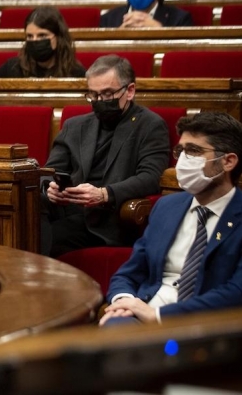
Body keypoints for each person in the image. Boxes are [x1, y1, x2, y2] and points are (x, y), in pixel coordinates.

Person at [101, 112, 242, 326]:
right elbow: (129, 272)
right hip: (145, 312)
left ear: (228, 161)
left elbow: (236, 292)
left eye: (194, 151)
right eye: (180, 150)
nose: (183, 160)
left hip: (208, 325)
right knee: (113, 329)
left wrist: (159, 317)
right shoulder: (167, 207)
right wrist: (125, 301)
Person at [42, 55, 170, 257]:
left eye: (107, 94)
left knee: (44, 238)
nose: (100, 101)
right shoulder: (75, 126)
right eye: (93, 95)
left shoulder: (150, 126)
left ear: (130, 91)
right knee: (26, 221)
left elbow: (151, 177)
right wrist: (51, 188)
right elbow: (49, 172)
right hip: (68, 208)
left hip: (108, 218)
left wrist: (104, 194)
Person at [0, 6, 86, 78]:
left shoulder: (76, 73)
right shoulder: (13, 68)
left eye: (42, 35)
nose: (35, 41)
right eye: (30, 36)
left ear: (58, 37)